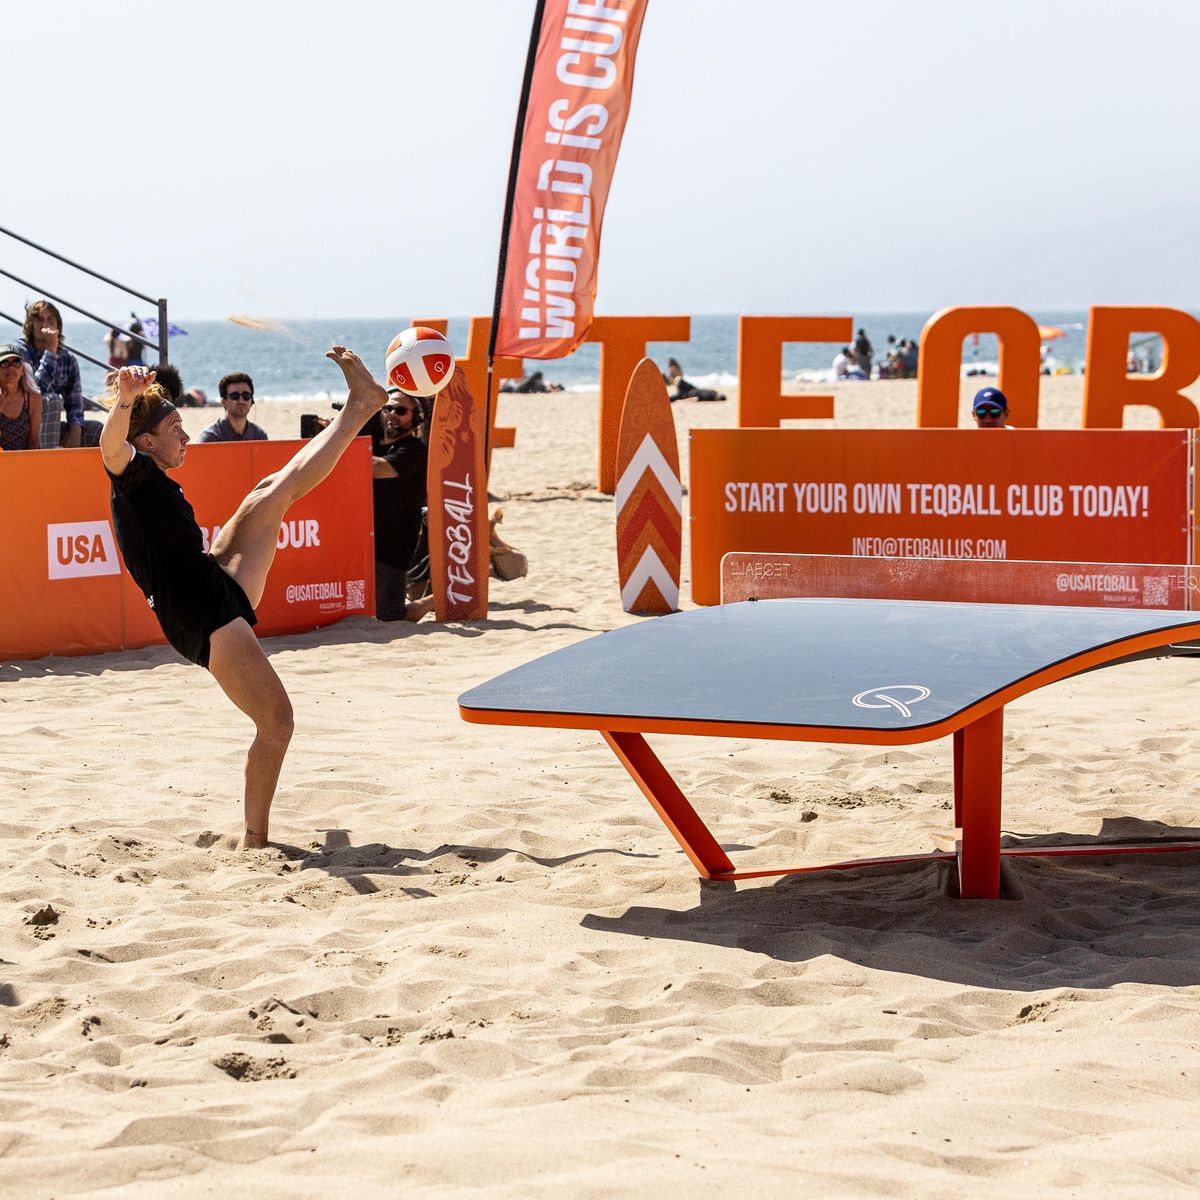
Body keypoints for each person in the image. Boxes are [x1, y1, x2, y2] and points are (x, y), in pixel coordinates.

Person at [98, 348, 389, 849]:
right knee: (277, 722)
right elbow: (109, 448)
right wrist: (123, 402)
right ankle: (255, 842)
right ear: (145, 441)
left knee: (272, 489)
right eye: (175, 430)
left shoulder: (153, 478)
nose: (186, 436)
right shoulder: (132, 474)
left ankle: (361, 406)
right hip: (199, 614)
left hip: (211, 579)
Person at [372, 388, 433, 622]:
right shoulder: (374, 445)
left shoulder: (414, 450)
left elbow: (376, 469)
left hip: (392, 550)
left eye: (400, 410)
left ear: (415, 417)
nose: (392, 414)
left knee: (391, 617)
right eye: (387, 408)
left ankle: (435, 599)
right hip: (366, 545)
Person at [18, 300, 84, 448]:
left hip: (52, 426)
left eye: (50, 319)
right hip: (25, 426)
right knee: (53, 400)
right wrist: (51, 351)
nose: (45, 324)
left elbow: (75, 403)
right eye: (39, 320)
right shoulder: (21, 353)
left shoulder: (68, 359)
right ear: (30, 326)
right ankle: (45, 466)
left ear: (58, 325)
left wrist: (76, 428)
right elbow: (36, 391)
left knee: (96, 430)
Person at [199, 373, 269, 442]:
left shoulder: (259, 436)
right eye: (235, 396)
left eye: (246, 395)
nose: (241, 400)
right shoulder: (211, 438)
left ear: (252, 400)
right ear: (224, 401)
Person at [0, 343, 42, 451]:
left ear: (22, 370)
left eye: (16, 362)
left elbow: (34, 441)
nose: (11, 368)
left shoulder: (33, 398)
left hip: (24, 461)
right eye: (4, 363)